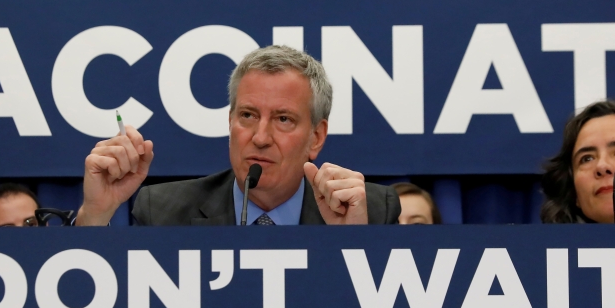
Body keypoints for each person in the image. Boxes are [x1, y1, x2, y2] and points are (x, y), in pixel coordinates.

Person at [75, 45, 401, 226]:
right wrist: (96, 213)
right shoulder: (164, 212)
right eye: (248, 115)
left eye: (283, 119)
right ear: (230, 122)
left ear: (316, 137)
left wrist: (355, 246)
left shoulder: (368, 211)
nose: (260, 137)